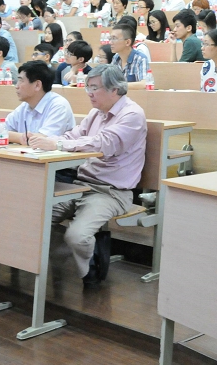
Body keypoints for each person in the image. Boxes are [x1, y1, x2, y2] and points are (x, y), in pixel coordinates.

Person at [21, 65, 148, 287]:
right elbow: (73, 136)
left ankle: (91, 269)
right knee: (33, 217)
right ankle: (68, 256)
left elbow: (105, 143)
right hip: (81, 184)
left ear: (115, 89)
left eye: (94, 87)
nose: (89, 93)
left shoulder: (132, 115)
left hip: (111, 192)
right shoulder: (96, 113)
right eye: (87, 87)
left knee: (77, 236)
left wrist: (58, 144)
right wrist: (45, 141)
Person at [108, 22, 150, 86]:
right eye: (110, 38)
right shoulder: (116, 58)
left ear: (127, 42)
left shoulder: (140, 58)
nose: (110, 42)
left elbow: (144, 84)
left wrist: (119, 86)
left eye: (114, 38)